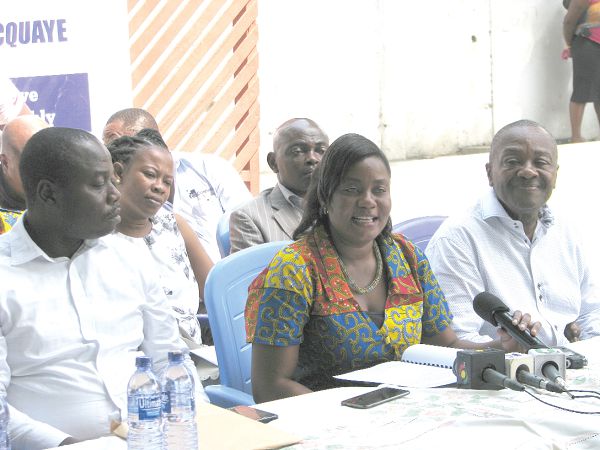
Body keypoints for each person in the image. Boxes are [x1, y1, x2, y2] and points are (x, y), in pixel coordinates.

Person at [245, 133, 541, 403]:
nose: (368, 202)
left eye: (379, 190)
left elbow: (445, 345)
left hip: (407, 413)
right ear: (325, 196)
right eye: (352, 189)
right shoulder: (294, 271)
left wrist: (502, 348)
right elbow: (270, 386)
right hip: (327, 425)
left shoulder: (407, 257)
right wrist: (354, 416)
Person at [0, 127, 205, 449]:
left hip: (154, 437)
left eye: (114, 179)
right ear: (48, 193)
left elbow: (169, 359)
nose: (115, 194)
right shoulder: (4, 277)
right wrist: (63, 444)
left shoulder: (130, 256)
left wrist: (202, 424)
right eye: (99, 184)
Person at [426, 120, 600, 347]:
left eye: (541, 162)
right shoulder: (457, 240)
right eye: (512, 161)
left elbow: (590, 316)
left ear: (555, 175)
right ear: (490, 173)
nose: (528, 171)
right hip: (507, 375)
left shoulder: (565, 231)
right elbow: (459, 341)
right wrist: (508, 349)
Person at [102, 108, 252, 261]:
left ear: (150, 136)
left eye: (115, 139)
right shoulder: (114, 202)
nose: (110, 149)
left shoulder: (212, 168)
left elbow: (248, 223)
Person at [107, 132, 213, 347]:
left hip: (189, 358)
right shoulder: (97, 235)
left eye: (167, 181)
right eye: (149, 174)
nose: (160, 187)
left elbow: (214, 289)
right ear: (119, 172)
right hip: (128, 357)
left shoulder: (174, 224)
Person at [229, 118, 329, 253]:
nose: (312, 158)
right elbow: (254, 274)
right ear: (273, 163)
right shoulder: (249, 218)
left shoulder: (343, 205)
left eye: (321, 151)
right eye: (297, 151)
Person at [0, 115, 49, 234]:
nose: (45, 172)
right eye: (33, 163)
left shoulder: (70, 187)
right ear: (5, 162)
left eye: (50, 159)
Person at [563, 0, 600, 142]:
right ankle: (576, 136)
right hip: (587, 44)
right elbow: (568, 22)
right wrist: (570, 44)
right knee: (582, 89)